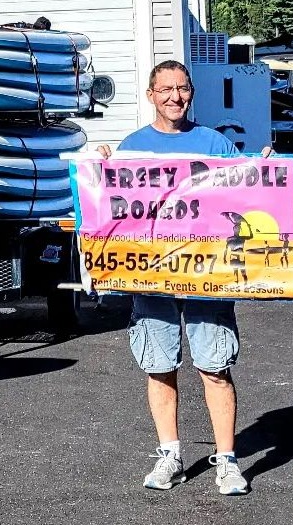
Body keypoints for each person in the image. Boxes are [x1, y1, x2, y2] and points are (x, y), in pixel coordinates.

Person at [97, 60, 271, 496]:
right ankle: (170, 456)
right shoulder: (133, 147)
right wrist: (100, 166)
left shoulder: (214, 143)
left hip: (207, 276)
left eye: (183, 88)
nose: (176, 97)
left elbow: (244, 195)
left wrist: (265, 171)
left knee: (215, 367)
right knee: (159, 368)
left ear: (191, 92)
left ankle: (227, 461)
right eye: (166, 89)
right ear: (151, 95)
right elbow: (111, 205)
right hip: (151, 277)